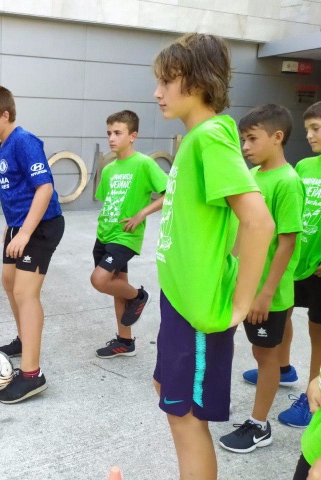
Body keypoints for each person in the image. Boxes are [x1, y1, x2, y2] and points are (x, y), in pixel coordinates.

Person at [152, 33, 274, 479]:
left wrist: (240, 303)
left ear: (199, 82)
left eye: (167, 81)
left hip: (199, 312)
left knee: (186, 420)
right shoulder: (194, 140)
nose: (157, 92)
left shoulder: (212, 136)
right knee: (171, 402)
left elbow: (259, 223)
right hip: (180, 300)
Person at [219, 104, 304, 453]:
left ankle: (259, 426)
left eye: (252, 139)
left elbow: (287, 242)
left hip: (267, 291)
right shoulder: (253, 175)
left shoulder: (288, 182)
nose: (245, 147)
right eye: (243, 139)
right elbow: (244, 229)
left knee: (266, 357)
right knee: (256, 350)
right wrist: (230, 268)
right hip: (244, 284)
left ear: (277, 137)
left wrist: (266, 293)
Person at [0, 85, 64, 404]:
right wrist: (12, 227)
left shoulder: (24, 141)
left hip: (40, 227)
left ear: (5, 115)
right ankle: (25, 340)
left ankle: (31, 375)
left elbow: (44, 189)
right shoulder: (5, 142)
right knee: (9, 282)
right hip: (18, 226)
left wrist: (24, 232)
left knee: (26, 293)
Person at [91, 110, 167, 359]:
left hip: (125, 236)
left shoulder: (144, 163)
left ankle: (139, 296)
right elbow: (108, 202)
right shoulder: (109, 169)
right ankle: (125, 341)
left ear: (133, 136)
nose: (111, 138)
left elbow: (170, 194)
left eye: (118, 133)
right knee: (117, 288)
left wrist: (141, 214)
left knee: (99, 280)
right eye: (109, 133)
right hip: (105, 234)